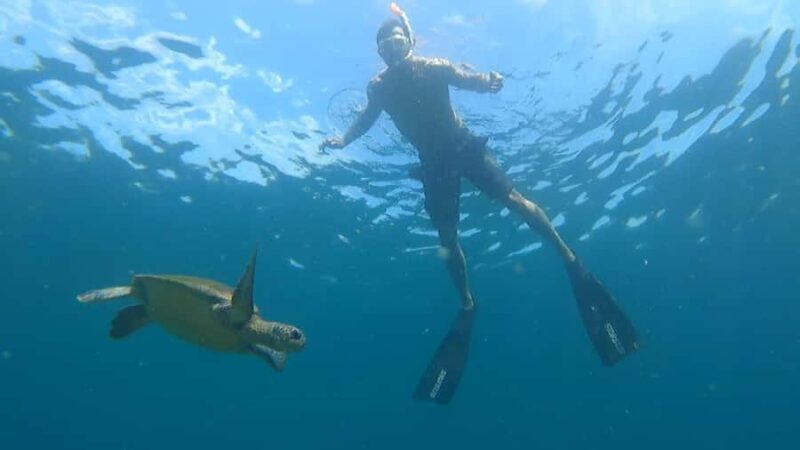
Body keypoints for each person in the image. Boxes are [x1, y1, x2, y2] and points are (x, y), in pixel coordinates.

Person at [320, 4, 639, 404]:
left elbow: (466, 78)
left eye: (397, 42)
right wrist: (345, 140)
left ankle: (566, 254)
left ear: (409, 43)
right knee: (447, 239)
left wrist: (488, 81)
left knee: (515, 201)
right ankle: (468, 301)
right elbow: (367, 118)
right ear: (380, 53)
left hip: (464, 148)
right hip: (434, 165)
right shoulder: (379, 88)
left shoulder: (433, 66)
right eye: (385, 46)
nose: (392, 50)